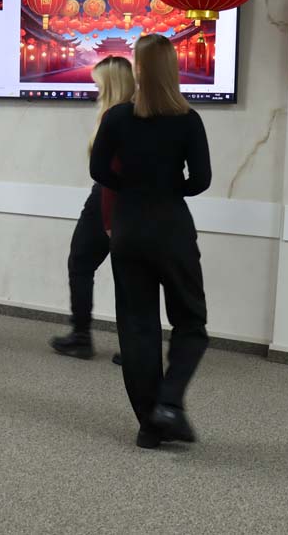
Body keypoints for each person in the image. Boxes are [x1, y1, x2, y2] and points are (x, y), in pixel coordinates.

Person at [90, 34, 211, 449]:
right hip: (171, 227)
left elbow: (98, 170)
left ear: (138, 70)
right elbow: (201, 180)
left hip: (128, 229)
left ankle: (149, 425)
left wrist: (131, 187)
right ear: (173, 69)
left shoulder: (117, 117)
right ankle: (169, 404)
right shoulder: (188, 119)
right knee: (190, 321)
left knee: (137, 327)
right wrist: (170, 187)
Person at [50, 56, 134, 360]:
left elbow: (110, 172)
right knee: (130, 276)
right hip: (134, 203)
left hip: (107, 201)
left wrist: (108, 220)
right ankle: (134, 347)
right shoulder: (140, 114)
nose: (95, 87)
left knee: (80, 263)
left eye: (98, 82)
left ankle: (81, 337)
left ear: (110, 83)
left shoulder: (113, 117)